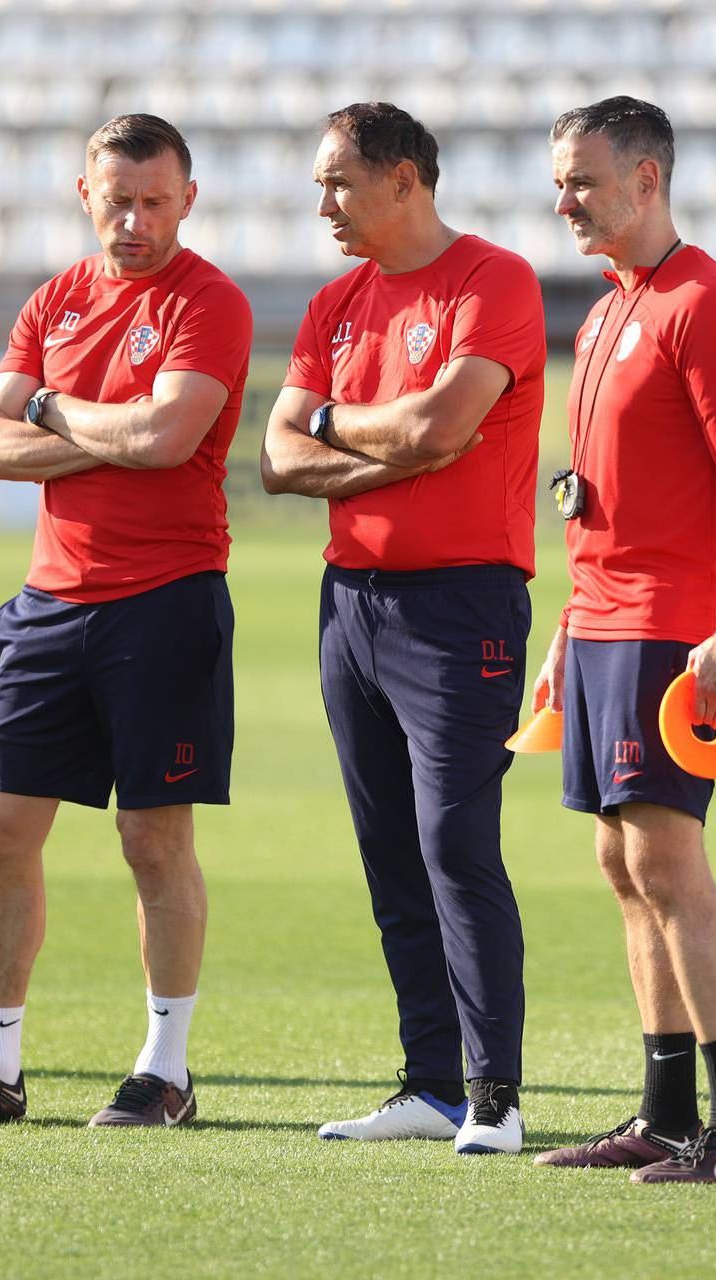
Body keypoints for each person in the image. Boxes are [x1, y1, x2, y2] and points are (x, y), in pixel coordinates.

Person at [0, 114, 252, 1129]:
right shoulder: (55, 297)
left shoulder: (208, 301)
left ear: (188, 198)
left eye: (153, 200)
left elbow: (167, 432)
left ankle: (165, 1070)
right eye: (116, 199)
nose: (133, 220)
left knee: (152, 837)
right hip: (51, 601)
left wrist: (52, 410)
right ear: (81, 192)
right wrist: (106, 428)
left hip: (165, 599)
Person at [259, 102, 545, 1156]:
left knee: (454, 842)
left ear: (406, 180)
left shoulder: (493, 281)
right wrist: (381, 445)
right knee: (388, 853)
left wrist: (336, 423)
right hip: (350, 606)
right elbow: (278, 459)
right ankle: (429, 1082)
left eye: (338, 181)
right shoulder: (335, 302)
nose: (323, 203)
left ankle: (495, 1094)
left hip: (461, 602)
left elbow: (441, 424)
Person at [530, 97, 716, 1184]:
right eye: (559, 180)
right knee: (620, 860)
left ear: (646, 179)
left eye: (584, 180)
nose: (565, 199)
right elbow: (598, 500)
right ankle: (663, 1112)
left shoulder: (706, 303)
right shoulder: (603, 314)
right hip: (602, 622)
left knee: (666, 857)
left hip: (672, 626)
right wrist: (566, 628)